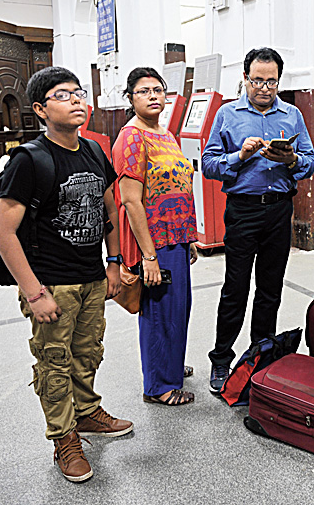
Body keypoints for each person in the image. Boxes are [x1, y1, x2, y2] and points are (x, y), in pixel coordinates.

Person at [0, 66, 132, 483]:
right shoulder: (30, 159)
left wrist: (114, 263)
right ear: (40, 108)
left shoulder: (93, 151)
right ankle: (63, 438)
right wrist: (34, 293)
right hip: (52, 283)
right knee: (54, 364)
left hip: (92, 277)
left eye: (78, 92)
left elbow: (109, 209)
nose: (75, 100)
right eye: (62, 95)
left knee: (87, 353)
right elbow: (3, 230)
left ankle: (87, 413)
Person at [202, 47, 314, 394]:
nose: (265, 88)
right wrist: (241, 155)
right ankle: (221, 359)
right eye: (257, 80)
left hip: (279, 209)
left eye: (272, 81)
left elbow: (310, 162)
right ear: (245, 78)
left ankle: (260, 356)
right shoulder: (228, 114)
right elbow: (208, 164)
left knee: (270, 288)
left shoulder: (292, 114)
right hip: (242, 210)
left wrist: (292, 158)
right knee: (235, 289)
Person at [112, 67, 198, 406]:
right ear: (131, 98)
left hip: (176, 237)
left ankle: (171, 364)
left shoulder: (166, 134)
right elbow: (131, 200)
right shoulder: (132, 137)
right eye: (144, 91)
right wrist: (148, 256)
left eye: (158, 90)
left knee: (178, 308)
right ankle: (159, 385)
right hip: (154, 242)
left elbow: (178, 185)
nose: (153, 96)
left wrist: (188, 237)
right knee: (159, 311)